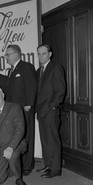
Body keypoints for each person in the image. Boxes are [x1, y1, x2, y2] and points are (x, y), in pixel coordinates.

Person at [0, 84, 30, 185]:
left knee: (12, 156)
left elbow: (20, 130)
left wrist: (10, 147)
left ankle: (19, 179)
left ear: (3, 95)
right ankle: (10, 167)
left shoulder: (15, 108)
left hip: (15, 144)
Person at [4, 44, 38, 176]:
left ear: (16, 54)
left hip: (25, 109)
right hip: (13, 111)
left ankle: (27, 165)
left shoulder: (26, 67)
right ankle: (18, 163)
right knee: (17, 136)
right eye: (6, 55)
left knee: (27, 135)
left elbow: (32, 86)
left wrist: (29, 104)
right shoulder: (10, 70)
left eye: (8, 54)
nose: (6, 57)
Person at [36, 44, 66, 178]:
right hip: (41, 111)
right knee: (45, 139)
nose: (41, 56)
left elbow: (60, 90)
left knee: (53, 139)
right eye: (39, 54)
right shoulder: (39, 71)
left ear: (50, 54)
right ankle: (48, 165)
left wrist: (52, 106)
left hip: (51, 111)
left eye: (43, 53)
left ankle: (55, 169)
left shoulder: (56, 67)